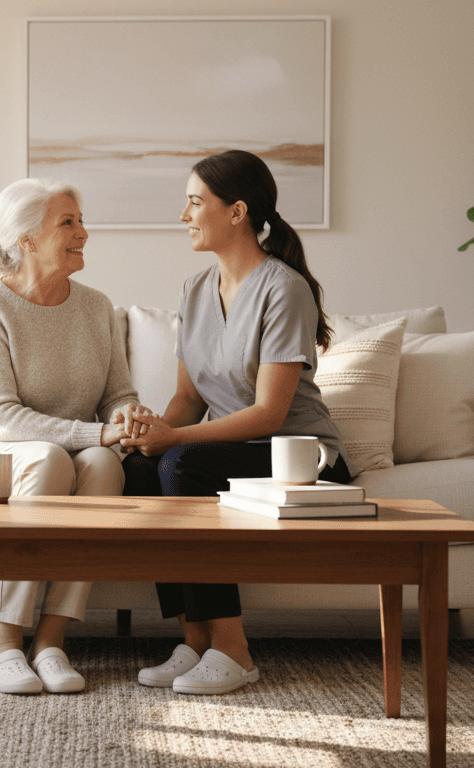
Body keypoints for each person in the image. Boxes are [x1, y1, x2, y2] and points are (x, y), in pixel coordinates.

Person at [120, 150, 352, 695]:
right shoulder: (195, 290)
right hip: (227, 449)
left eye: (195, 202)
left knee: (179, 463)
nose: (184, 215)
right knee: (139, 469)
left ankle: (235, 649)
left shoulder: (283, 288)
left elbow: (270, 413)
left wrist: (174, 440)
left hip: (301, 455)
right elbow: (186, 397)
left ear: (237, 211)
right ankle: (194, 640)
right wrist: (151, 432)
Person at [0, 178, 152, 695]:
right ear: (26, 240)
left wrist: (127, 417)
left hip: (71, 447)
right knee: (51, 460)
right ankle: (3, 641)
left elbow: (117, 392)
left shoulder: (97, 307)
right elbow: (2, 419)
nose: (84, 231)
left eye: (80, 220)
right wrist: (98, 431)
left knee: (105, 465)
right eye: (68, 222)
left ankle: (51, 641)